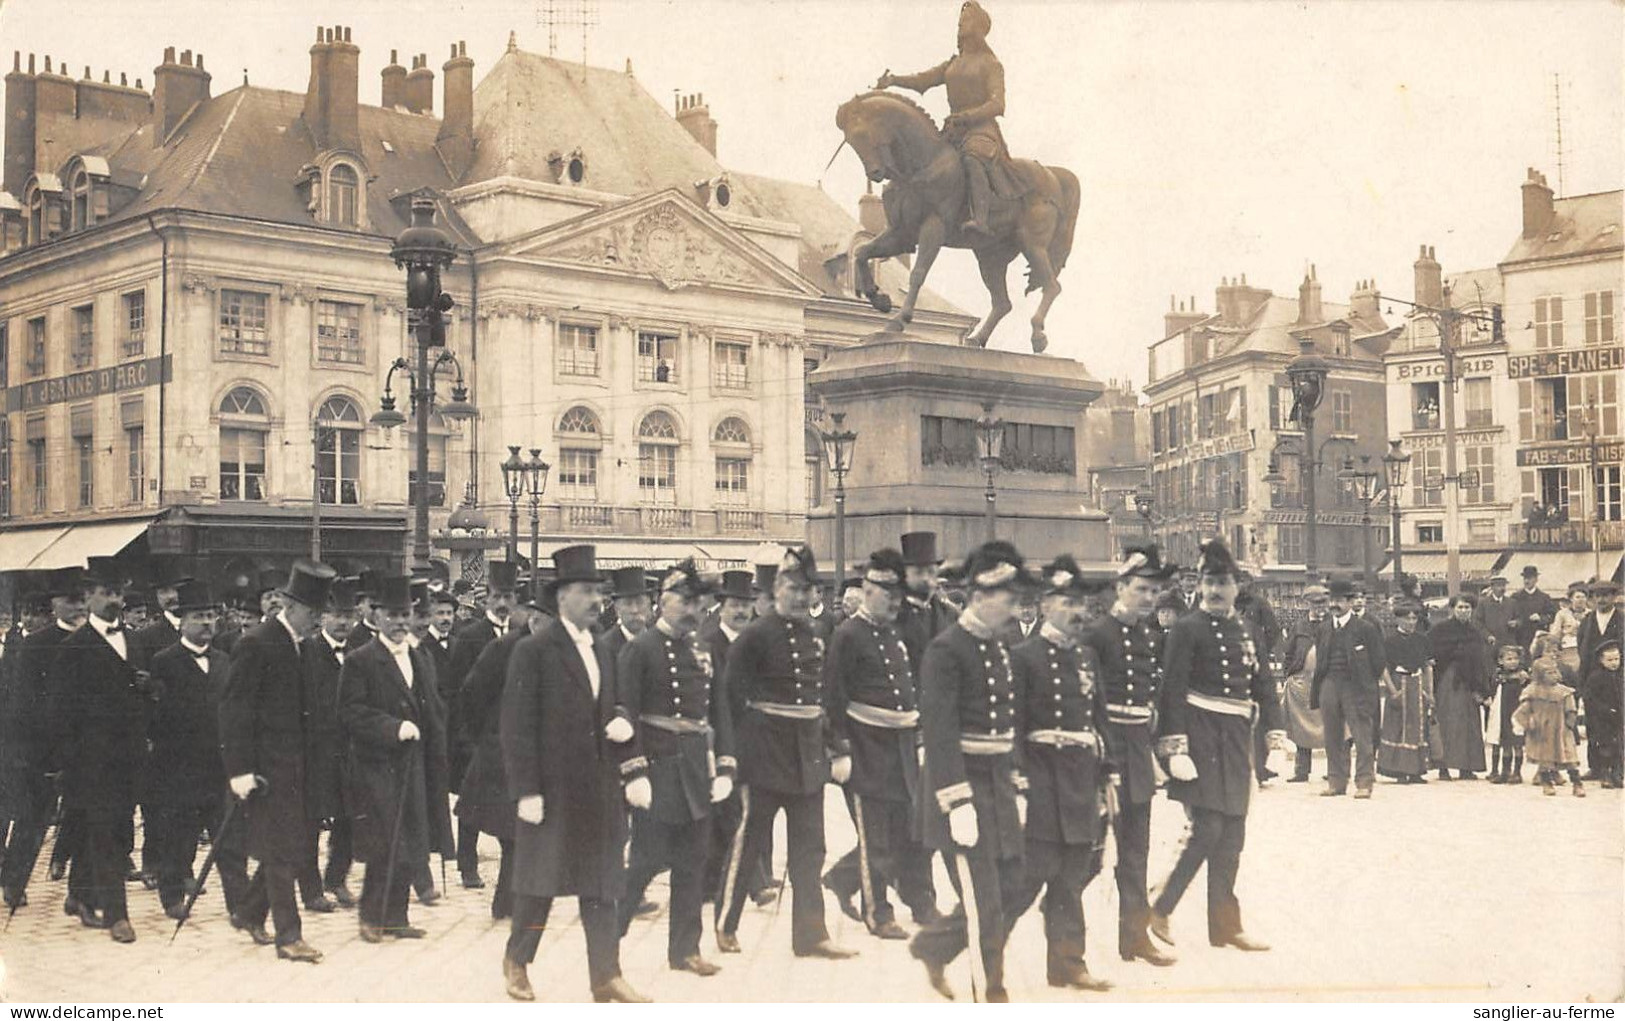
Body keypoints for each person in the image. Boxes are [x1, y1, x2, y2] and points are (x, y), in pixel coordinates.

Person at [499, 545, 647, 1003]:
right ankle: (517, 961)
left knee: (603, 885)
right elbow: (515, 724)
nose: (595, 600)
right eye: (586, 591)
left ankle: (607, 975)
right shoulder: (534, 650)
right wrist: (526, 790)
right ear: (561, 597)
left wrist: (622, 718)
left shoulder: (602, 649)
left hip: (599, 788)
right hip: (553, 790)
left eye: (598, 592)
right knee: (539, 885)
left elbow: (614, 700)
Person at [715, 548, 857, 961]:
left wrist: (836, 748)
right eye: (793, 588)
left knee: (810, 850)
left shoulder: (815, 634)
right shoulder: (756, 636)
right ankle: (726, 923)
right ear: (777, 589)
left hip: (807, 758)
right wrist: (736, 756)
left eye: (807, 590)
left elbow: (821, 698)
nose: (800, 597)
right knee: (749, 845)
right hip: (762, 758)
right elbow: (730, 699)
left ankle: (811, 935)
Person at [909, 541, 1034, 1002]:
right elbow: (940, 733)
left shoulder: (1000, 646)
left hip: (997, 785)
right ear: (979, 595)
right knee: (984, 902)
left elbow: (1010, 723)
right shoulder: (947, 651)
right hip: (959, 788)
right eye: (1007, 595)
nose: (1015, 605)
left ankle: (934, 946)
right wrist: (957, 801)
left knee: (1015, 885)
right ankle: (991, 995)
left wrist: (1017, 782)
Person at [1148, 540, 1286, 954]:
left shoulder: (1244, 629)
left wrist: (1275, 736)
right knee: (1207, 828)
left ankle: (1226, 926)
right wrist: (1175, 748)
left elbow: (1264, 686)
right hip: (1200, 734)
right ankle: (1159, 905)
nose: (1214, 591)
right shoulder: (1187, 629)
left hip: (1235, 738)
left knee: (1233, 834)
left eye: (1222, 583)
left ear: (1236, 586)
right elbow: (1170, 690)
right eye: (1209, 582)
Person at [616, 560, 734, 977]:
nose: (691, 611)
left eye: (697, 605)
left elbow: (719, 712)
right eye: (683, 602)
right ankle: (609, 936)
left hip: (696, 773)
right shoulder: (640, 648)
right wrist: (634, 772)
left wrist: (724, 767)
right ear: (661, 602)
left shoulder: (701, 650)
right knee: (645, 861)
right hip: (658, 770)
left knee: (693, 862)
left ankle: (685, 950)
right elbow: (625, 713)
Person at [1004, 557, 1113, 992]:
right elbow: (1011, 725)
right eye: (1067, 602)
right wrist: (1017, 780)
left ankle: (1069, 963)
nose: (1076, 611)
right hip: (1041, 779)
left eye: (1080, 602)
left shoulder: (1086, 656)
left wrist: (1109, 773)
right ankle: (985, 947)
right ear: (1046, 604)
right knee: (1029, 878)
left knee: (1072, 876)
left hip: (1079, 782)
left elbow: (1097, 719)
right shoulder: (1022, 657)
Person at [219, 560, 337, 962]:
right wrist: (240, 771)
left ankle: (249, 911)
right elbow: (235, 712)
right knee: (283, 852)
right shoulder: (257, 642)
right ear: (288, 604)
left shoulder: (303, 646)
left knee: (290, 847)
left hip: (300, 769)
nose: (316, 621)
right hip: (267, 771)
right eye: (311, 612)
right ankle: (289, 936)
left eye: (320, 614)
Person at [822, 549, 937, 939]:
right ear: (868, 591)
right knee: (876, 837)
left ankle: (908, 899)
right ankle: (878, 912)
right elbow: (833, 698)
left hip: (901, 745)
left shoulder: (893, 634)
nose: (894, 600)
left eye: (896, 593)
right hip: (866, 748)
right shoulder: (847, 636)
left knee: (907, 830)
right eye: (886, 592)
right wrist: (838, 749)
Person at [338, 575, 452, 943]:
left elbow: (431, 704)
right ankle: (371, 916)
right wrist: (392, 727)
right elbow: (351, 712)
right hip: (376, 767)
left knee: (413, 838)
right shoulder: (361, 660)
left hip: (414, 764)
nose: (402, 622)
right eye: (394, 615)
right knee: (385, 842)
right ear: (378, 616)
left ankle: (397, 917)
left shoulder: (419, 657)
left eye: (406, 614)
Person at [1080, 543, 1175, 968]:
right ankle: (1064, 942)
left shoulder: (1147, 634)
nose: (1148, 598)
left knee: (1136, 852)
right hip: (1103, 751)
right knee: (1085, 855)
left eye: (1154, 592)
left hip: (1136, 751)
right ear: (1121, 586)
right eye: (1140, 589)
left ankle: (1134, 938)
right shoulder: (1097, 635)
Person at [52, 558, 151, 943]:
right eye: (107, 593)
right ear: (89, 596)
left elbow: (148, 695)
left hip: (130, 759)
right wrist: (65, 763)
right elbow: (60, 711)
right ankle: (116, 915)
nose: (116, 601)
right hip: (91, 761)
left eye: (119, 593)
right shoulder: (74, 648)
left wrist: (148, 689)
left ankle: (78, 895)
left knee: (114, 832)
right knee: (107, 836)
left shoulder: (135, 641)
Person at [145, 580, 247, 919]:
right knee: (179, 838)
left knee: (230, 842)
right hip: (180, 768)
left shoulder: (224, 660)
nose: (207, 623)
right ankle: (172, 896)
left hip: (219, 768)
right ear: (183, 621)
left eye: (211, 616)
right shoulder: (165, 661)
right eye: (199, 616)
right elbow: (157, 718)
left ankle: (239, 905)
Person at [875, 0, 1009, 237]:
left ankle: (980, 219)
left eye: (966, 20)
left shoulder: (991, 64)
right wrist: (893, 80)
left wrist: (968, 116)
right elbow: (922, 80)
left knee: (972, 159)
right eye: (960, 20)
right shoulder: (952, 64)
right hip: (954, 131)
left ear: (979, 27)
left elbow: (997, 104)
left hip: (981, 131)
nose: (960, 24)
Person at [456, 597, 545, 920]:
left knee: (519, 833)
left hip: (534, 752)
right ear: (535, 618)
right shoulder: (505, 648)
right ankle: (508, 905)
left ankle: (508, 903)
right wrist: (488, 734)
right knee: (513, 833)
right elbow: (472, 691)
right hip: (501, 751)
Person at [0, 568, 83, 913]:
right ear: (54, 604)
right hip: (43, 751)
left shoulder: (98, 640)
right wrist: (35, 751)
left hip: (86, 747)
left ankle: (81, 893)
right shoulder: (37, 645)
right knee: (32, 820)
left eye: (81, 600)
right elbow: (24, 703)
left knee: (84, 819)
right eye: (69, 601)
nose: (77, 607)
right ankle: (14, 881)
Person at [700, 570, 775, 912]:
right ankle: (753, 883)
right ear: (721, 607)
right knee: (730, 809)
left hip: (759, 737)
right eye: (735, 605)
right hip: (723, 737)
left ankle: (760, 873)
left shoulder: (760, 640)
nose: (742, 612)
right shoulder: (709, 643)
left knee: (757, 804)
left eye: (746, 605)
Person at [445, 560, 520, 890]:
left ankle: (510, 871)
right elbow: (459, 689)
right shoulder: (470, 636)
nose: (502, 603)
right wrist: (466, 736)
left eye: (508, 596)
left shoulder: (520, 638)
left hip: (509, 737)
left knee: (507, 804)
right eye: (497, 596)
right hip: (475, 736)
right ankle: (468, 865)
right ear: (485, 599)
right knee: (470, 805)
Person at [300, 580, 359, 911]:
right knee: (311, 823)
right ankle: (310, 890)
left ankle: (336, 878)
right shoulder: (308, 651)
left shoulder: (359, 653)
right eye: (336, 615)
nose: (342, 622)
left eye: (347, 615)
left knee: (349, 820)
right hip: (316, 752)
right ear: (323, 617)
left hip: (350, 753)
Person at [1310, 580, 1389, 799]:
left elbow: (1379, 661)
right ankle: (1336, 781)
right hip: (1329, 684)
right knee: (1332, 735)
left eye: (1339, 600)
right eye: (1331, 600)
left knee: (1362, 734)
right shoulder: (1324, 628)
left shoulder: (1366, 628)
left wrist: (1365, 682)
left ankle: (1364, 782)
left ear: (1350, 602)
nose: (1334, 604)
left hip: (1356, 686)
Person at [1428, 595, 1491, 781]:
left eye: (1467, 608)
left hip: (1470, 682)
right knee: (1448, 723)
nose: (1464, 611)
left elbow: (1481, 660)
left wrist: (1482, 687)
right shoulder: (1440, 630)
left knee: (1470, 724)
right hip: (1449, 681)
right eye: (1460, 607)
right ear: (1452, 609)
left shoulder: (1475, 632)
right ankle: (1443, 767)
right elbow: (1431, 652)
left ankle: (1467, 767)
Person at [1377, 600, 1433, 784]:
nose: (1411, 622)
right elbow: (1383, 668)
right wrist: (1393, 692)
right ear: (1398, 619)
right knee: (1397, 726)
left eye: (1414, 618)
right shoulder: (1389, 641)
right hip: (1398, 681)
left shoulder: (1422, 639)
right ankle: (1399, 770)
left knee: (1417, 727)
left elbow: (1427, 667)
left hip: (1416, 684)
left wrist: (1429, 692)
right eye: (1407, 618)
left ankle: (1416, 770)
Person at [1512, 657, 1585, 797]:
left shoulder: (1564, 692)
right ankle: (1547, 783)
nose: (1554, 676)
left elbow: (1571, 710)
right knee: (1545, 759)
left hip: (1562, 731)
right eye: (1549, 673)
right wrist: (1527, 723)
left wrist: (1569, 724)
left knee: (1570, 759)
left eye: (1555, 672)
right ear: (1539, 675)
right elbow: (1524, 710)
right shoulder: (1532, 691)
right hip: (1542, 732)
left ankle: (1577, 784)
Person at [1281, 585, 1328, 783]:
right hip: (1303, 683)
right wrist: (1289, 674)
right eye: (1315, 604)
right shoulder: (1299, 627)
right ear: (1307, 604)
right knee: (1302, 725)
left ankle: (1335, 769)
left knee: (1332, 724)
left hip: (1326, 681)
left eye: (1323, 603)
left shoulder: (1332, 625)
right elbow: (1289, 652)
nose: (1320, 608)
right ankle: (1302, 770)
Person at [1485, 644, 1529, 784]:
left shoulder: (1522, 676)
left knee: (1516, 742)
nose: (1513, 662)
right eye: (1509, 659)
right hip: (1501, 712)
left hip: (1516, 712)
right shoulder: (1498, 676)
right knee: (1503, 742)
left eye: (1515, 658)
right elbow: (1491, 691)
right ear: (1501, 661)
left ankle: (1517, 772)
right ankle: (1504, 771)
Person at [1581, 640, 1622, 789]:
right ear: (1601, 660)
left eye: (1617, 659)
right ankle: (1605, 774)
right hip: (1602, 719)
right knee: (1605, 746)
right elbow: (1589, 698)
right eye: (1609, 660)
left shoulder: (1620, 676)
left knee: (1619, 746)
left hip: (1619, 718)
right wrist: (1604, 710)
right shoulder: (1596, 677)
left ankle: (1617, 774)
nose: (1614, 663)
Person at [600, 567, 652, 662]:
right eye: (628, 604)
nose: (635, 610)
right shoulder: (605, 648)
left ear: (648, 605)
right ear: (617, 609)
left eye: (640, 602)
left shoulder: (658, 641)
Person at [1507, 566, 1558, 654]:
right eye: (1525, 578)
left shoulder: (1544, 597)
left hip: (1538, 636)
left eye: (1530, 578)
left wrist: (1540, 618)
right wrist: (1515, 622)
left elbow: (1552, 616)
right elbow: (1509, 615)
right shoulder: (1515, 597)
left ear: (1536, 579)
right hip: (1520, 636)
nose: (1527, 581)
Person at [1547, 583, 1589, 685]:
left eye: (1583, 597)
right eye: (1577, 597)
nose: (1581, 600)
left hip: (1585, 648)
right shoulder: (1562, 614)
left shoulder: (1590, 614)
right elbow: (1555, 634)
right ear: (1571, 599)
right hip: (1568, 649)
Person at [1473, 575, 1515, 650]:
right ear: (1492, 587)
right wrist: (1487, 635)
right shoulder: (1483, 603)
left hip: (1507, 643)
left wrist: (1516, 623)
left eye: (1503, 585)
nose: (1502, 588)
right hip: (1490, 644)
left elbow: (1519, 618)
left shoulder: (1511, 603)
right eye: (1499, 585)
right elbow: (1477, 623)